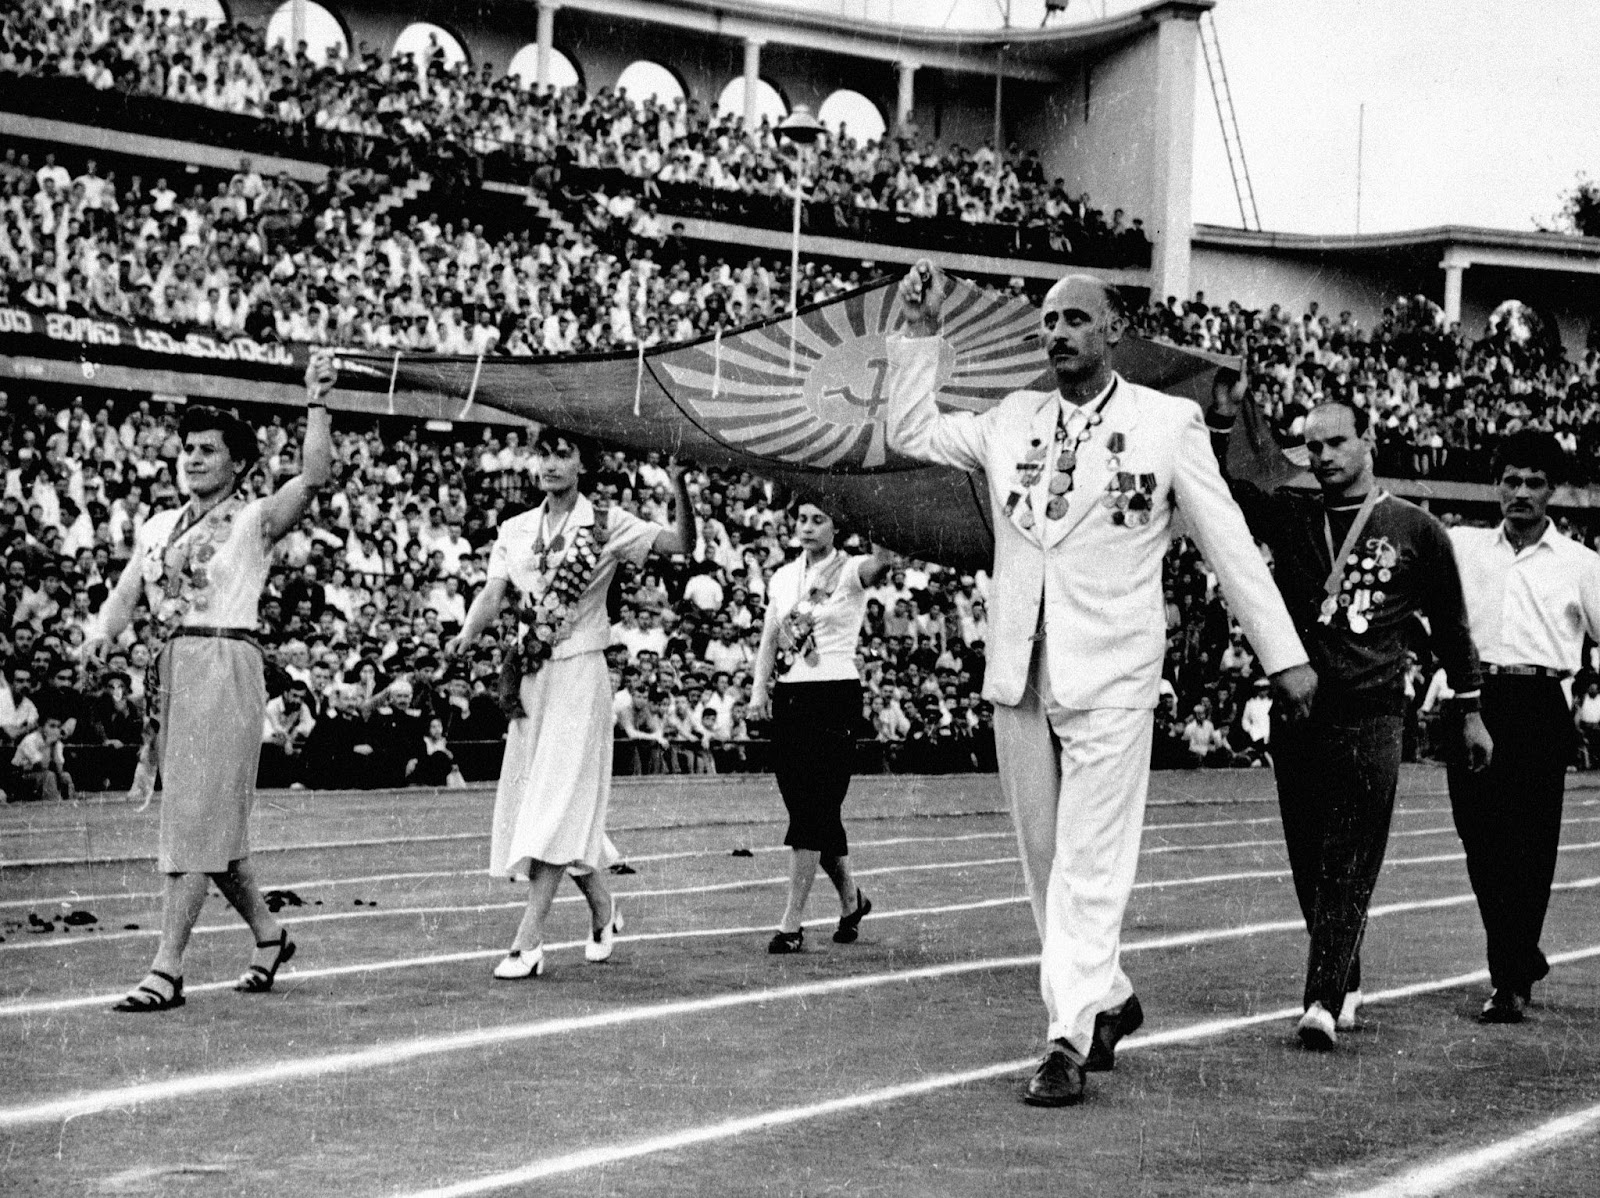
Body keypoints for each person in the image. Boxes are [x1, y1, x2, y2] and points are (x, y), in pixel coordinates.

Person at [887, 263, 1313, 1107]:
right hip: (1021, 671)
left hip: (1114, 672)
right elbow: (910, 432)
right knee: (1045, 863)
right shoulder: (1012, 419)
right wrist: (916, 331)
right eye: (1049, 322)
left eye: (1077, 319)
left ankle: (1067, 1037)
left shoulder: (1168, 422)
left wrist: (1283, 655)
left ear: (1111, 331)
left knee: (1089, 860)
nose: (1059, 334)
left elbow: (1226, 542)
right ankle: (1108, 996)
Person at [1209, 363, 1490, 1050]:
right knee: (1310, 860)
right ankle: (1345, 974)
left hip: (1372, 715)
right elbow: (1218, 494)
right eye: (1311, 445)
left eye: (1336, 442)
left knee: (1350, 856)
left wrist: (1471, 708)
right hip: (1300, 714)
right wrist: (1221, 419)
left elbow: (1451, 626)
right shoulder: (1295, 513)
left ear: (1368, 443)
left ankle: (1320, 1000)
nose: (1322, 456)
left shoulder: (1416, 529)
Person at [86, 352, 336, 1012]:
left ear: (237, 462)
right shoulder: (158, 526)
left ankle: (168, 966)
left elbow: (314, 477)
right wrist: (97, 635)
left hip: (228, 665)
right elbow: (125, 593)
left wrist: (316, 400)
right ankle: (269, 933)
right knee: (204, 824)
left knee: (197, 819)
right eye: (187, 449)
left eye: (206, 450)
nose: (192, 459)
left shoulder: (254, 520)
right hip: (174, 671)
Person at [446, 429, 694, 980]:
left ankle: (528, 940)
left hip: (582, 670)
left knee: (555, 803)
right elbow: (494, 592)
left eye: (562, 454)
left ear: (584, 464)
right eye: (543, 454)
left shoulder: (606, 522)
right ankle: (603, 909)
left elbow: (680, 545)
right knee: (547, 802)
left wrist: (678, 485)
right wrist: (468, 632)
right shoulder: (514, 528)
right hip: (533, 675)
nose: (550, 464)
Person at [1446, 430, 1600, 1022]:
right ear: (1496, 484)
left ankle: (1507, 979)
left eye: (1534, 482)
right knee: (1479, 842)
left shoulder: (1581, 564)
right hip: (1473, 698)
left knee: (1530, 846)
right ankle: (1517, 954)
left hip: (1540, 700)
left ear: (1553, 490)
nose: (1521, 493)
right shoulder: (1462, 547)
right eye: (1511, 480)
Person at [748, 498, 892, 954]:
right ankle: (851, 900)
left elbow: (881, 565)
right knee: (809, 810)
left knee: (814, 808)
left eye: (818, 520)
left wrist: (879, 511)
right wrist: (758, 692)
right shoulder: (782, 577)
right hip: (792, 695)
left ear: (836, 527)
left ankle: (791, 922)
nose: (807, 528)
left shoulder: (848, 571)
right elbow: (771, 636)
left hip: (834, 696)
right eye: (802, 520)